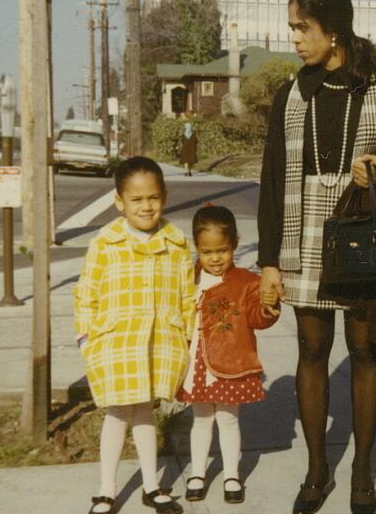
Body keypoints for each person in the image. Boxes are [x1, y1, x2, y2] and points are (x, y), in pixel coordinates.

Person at [257, 0, 376, 514]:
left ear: (335, 29)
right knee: (310, 349)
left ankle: (361, 473)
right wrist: (267, 263)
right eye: (293, 29)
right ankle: (316, 469)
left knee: (365, 350)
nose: (296, 40)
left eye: (303, 28)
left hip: (361, 235)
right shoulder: (291, 93)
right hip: (302, 233)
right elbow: (272, 179)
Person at [74, 156, 194, 514]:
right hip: (116, 342)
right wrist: (86, 338)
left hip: (158, 341)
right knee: (116, 413)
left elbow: (186, 294)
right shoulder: (105, 243)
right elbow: (86, 292)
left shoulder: (175, 242)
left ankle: (151, 486)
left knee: (145, 411)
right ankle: (106, 489)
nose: (146, 206)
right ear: (120, 202)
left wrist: (186, 336)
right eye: (137, 199)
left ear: (165, 196)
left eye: (153, 197)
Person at [176, 205, 280, 505]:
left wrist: (268, 305)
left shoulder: (246, 282)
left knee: (228, 419)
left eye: (222, 250)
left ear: (234, 244)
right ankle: (197, 473)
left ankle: (232, 474)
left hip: (231, 363)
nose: (215, 258)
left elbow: (258, 319)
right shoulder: (189, 278)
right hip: (196, 362)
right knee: (201, 419)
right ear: (197, 248)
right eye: (207, 252)